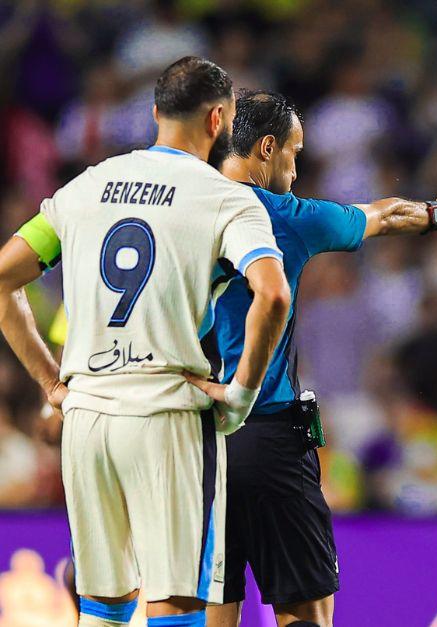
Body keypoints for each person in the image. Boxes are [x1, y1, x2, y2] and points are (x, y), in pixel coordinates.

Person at [185, 90, 437, 627]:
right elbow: (382, 216)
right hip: (265, 432)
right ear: (266, 148)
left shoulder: (179, 210)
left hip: (189, 440)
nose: (295, 169)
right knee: (305, 609)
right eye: (294, 153)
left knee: (212, 604)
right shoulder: (281, 215)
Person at [0, 57, 292, 627]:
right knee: (176, 603)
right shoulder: (227, 199)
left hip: (87, 418)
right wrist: (240, 394)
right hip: (167, 412)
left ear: (157, 113)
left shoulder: (85, 186)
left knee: (102, 606)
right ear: (218, 120)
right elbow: (273, 293)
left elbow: (4, 277)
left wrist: (50, 382)